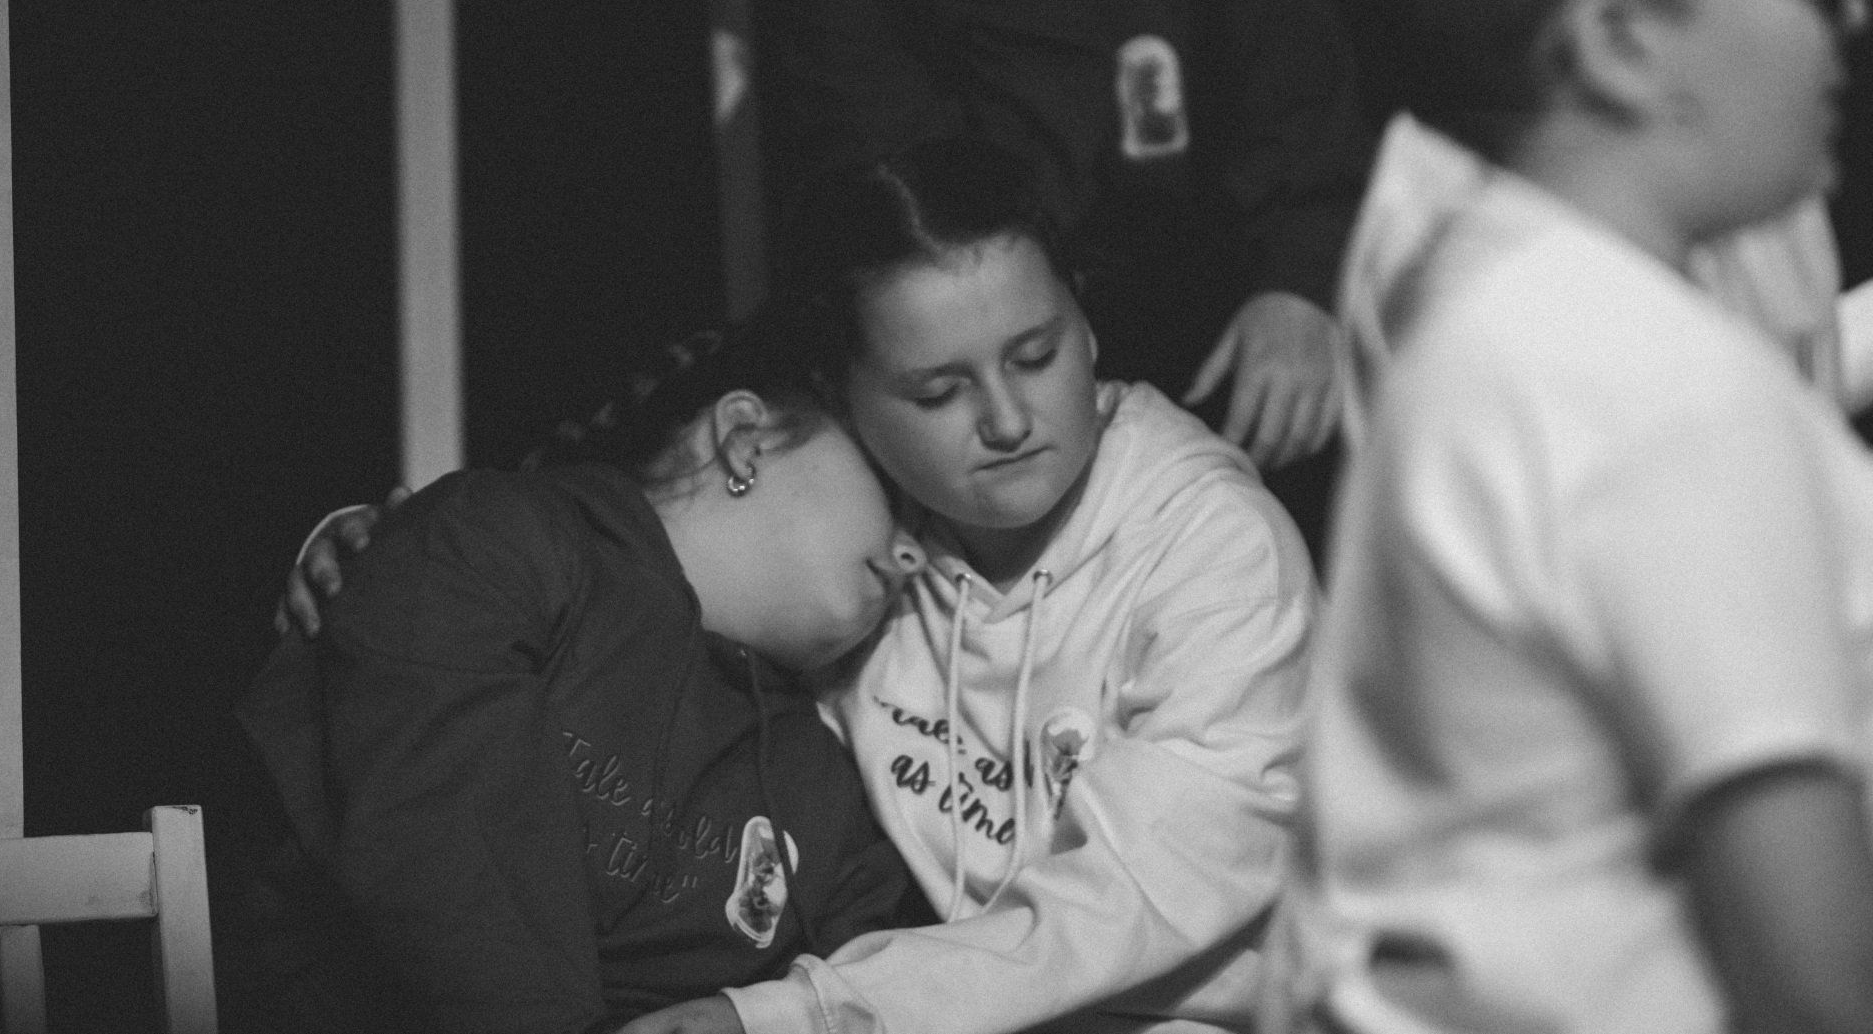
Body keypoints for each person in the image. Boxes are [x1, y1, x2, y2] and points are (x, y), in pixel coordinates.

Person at [288, 136, 1319, 1034]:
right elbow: (635, 568)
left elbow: (1135, 895)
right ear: (847, 398)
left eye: (1037, 355)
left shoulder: (1221, 551)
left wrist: (804, 1013)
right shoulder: (870, 547)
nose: (1009, 420)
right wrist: (379, 548)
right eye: (939, 391)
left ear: (1086, 327)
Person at [1265, 0, 1873, 1029]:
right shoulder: (1651, 378)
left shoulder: (1492, 295)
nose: (1848, 12)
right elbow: (1819, 982)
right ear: (1618, 41)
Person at [231, 317, 930, 1033]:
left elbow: (866, 994)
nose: (915, 555)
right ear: (745, 439)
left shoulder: (832, 788)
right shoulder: (502, 540)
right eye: (891, 492)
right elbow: (435, 859)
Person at [751, 0, 1371, 553]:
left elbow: (1313, 142)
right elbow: (945, 234)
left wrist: (1299, 287)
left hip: (1191, 335)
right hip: (961, 354)